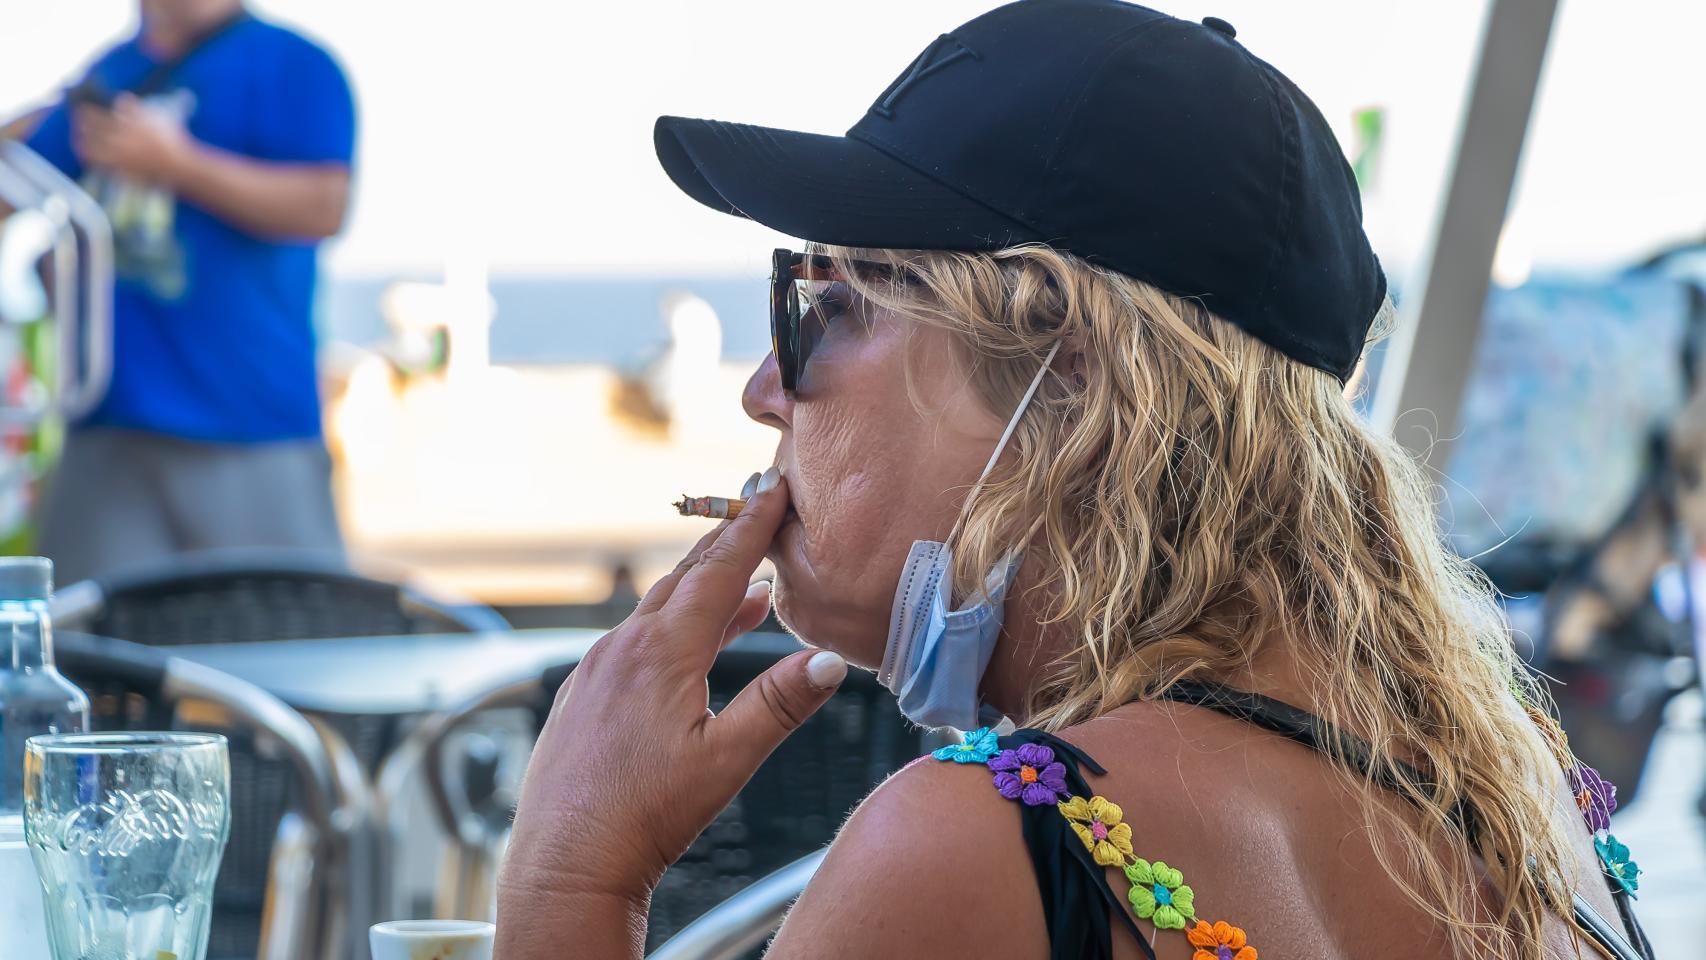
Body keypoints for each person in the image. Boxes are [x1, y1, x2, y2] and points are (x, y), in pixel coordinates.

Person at [498, 3, 1655, 958]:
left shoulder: (980, 851)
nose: (761, 390)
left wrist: (570, 879)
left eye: (821, 307)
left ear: (1064, 392)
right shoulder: (1520, 805)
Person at [5, 0, 354, 582]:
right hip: (108, 430)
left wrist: (179, 164)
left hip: (250, 427)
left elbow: (322, 206)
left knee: (286, 646)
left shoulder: (294, 64)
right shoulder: (110, 73)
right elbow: (17, 182)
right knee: (84, 651)